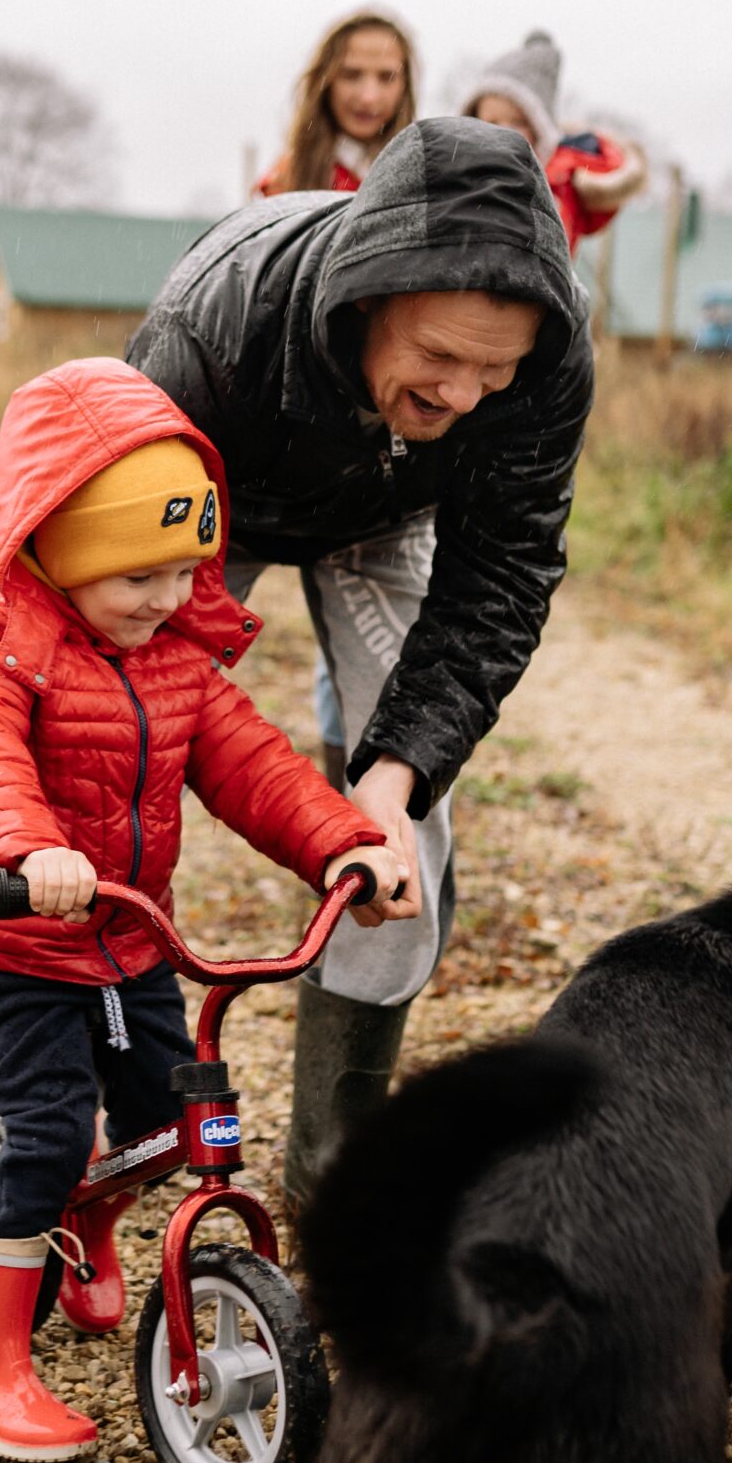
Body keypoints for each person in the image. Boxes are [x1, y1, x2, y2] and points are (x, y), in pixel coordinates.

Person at [0, 357, 414, 1463]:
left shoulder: (178, 665)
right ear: (52, 544)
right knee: (49, 1131)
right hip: (12, 949)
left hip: (128, 944)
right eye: (130, 572)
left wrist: (346, 843)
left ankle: (86, 1219)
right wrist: (27, 848)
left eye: (179, 569)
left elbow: (255, 768)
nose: (160, 597)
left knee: (160, 1123)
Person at [127, 116, 594, 1212]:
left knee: (407, 823)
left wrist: (389, 778)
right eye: (437, 358)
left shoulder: (548, 362)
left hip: (385, 514)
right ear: (368, 295)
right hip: (203, 499)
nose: (465, 396)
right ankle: (96, 1089)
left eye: (495, 369)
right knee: (116, 757)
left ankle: (330, 1170)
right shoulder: (213, 331)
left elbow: (504, 575)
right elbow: (97, 556)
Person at [456, 30, 648, 253]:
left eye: (517, 122)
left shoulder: (559, 179)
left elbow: (605, 178)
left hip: (545, 279)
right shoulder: (463, 176)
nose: (503, 131)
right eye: (492, 121)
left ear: (539, 128)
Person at [253, 7, 417, 197]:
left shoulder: (429, 177)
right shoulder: (285, 182)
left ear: (405, 86)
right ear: (324, 82)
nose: (368, 97)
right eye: (350, 75)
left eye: (386, 77)